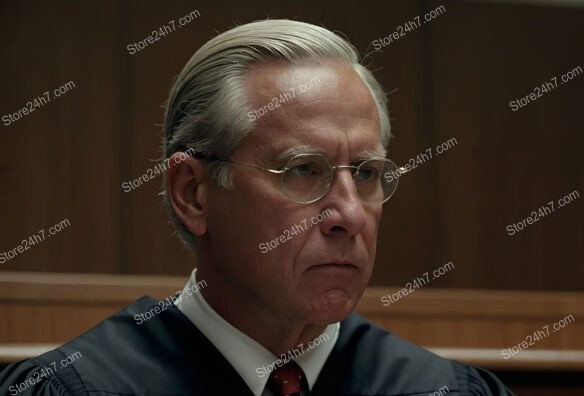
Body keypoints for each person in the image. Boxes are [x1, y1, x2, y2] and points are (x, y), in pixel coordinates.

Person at [0, 19, 513, 395]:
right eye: (302, 170)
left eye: (365, 174)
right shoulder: (79, 388)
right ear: (192, 193)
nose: (352, 216)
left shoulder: (441, 389)